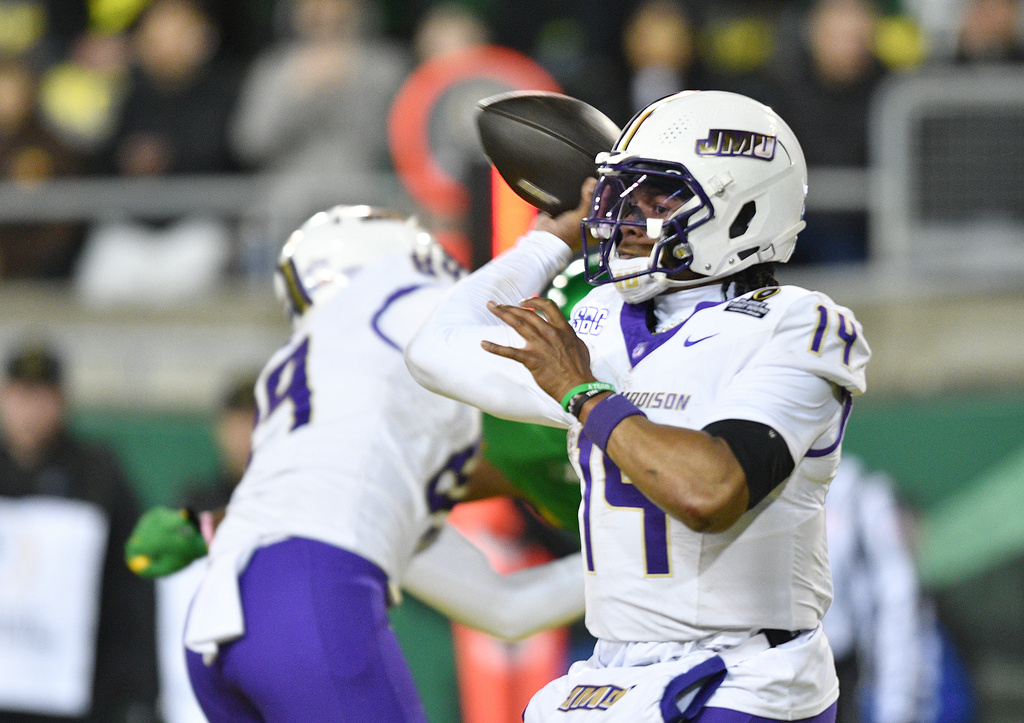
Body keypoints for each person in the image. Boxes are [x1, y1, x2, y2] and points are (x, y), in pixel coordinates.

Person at [405, 89, 871, 722]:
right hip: (612, 670)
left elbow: (710, 491)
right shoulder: (599, 318)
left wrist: (583, 393)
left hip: (746, 676)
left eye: (658, 198)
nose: (624, 218)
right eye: (621, 195)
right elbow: (437, 349)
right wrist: (545, 244)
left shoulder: (796, 324)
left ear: (741, 210)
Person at [141, 206, 584, 723]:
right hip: (310, 598)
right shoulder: (390, 295)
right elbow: (465, 326)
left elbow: (505, 609)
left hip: (217, 628)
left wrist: (633, 566)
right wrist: (545, 244)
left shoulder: (345, 427)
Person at [0, 342, 158, 721]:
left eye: (41, 396)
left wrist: (135, 685)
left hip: (77, 692)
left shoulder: (97, 473)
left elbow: (131, 583)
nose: (30, 410)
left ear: (61, 401)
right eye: (21, 396)